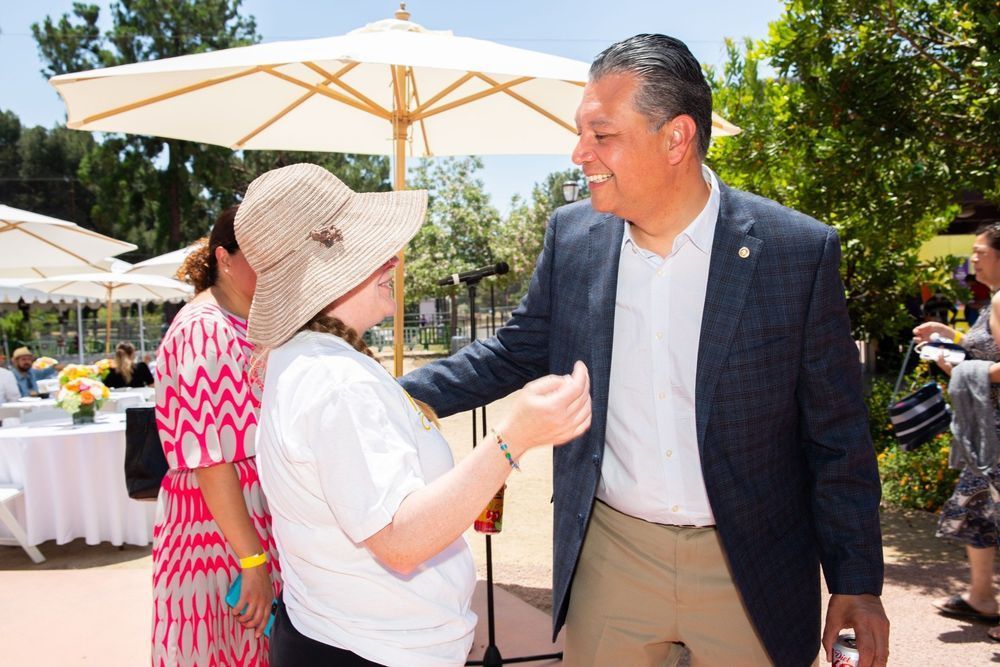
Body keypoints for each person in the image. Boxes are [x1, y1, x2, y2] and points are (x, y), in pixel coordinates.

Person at [401, 33, 889, 667]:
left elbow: (837, 436)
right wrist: (380, 389)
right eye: (581, 133)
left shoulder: (796, 252)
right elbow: (512, 352)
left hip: (751, 563)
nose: (580, 154)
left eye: (602, 135)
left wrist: (857, 582)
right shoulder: (572, 238)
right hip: (611, 554)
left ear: (676, 138)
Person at [233, 163, 591, 666]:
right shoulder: (338, 382)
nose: (395, 260)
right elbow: (401, 540)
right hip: (372, 650)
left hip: (342, 637)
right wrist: (513, 438)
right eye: (376, 251)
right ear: (332, 271)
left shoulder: (312, 362)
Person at [153, 205, 280, 666]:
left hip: (244, 524)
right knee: (221, 651)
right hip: (218, 532)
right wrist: (252, 561)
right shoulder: (204, 331)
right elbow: (210, 460)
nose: (275, 266)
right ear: (224, 258)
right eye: (262, 256)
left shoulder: (244, 320)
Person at [918, 223, 1000, 643]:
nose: (973, 258)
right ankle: (982, 597)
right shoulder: (993, 301)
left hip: (994, 434)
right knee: (978, 513)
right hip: (985, 428)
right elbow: (990, 348)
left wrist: (962, 369)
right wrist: (950, 337)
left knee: (984, 509)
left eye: (979, 251)